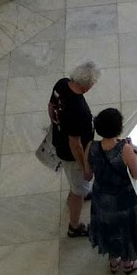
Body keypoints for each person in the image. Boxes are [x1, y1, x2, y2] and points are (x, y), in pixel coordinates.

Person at [87, 107, 137, 273]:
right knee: (126, 231)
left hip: (101, 200)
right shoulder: (124, 149)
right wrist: (130, 150)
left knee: (109, 228)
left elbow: (87, 175)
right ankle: (128, 263)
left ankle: (113, 260)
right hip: (123, 201)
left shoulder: (91, 146)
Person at [48, 61, 99, 238]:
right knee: (78, 188)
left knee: (76, 183)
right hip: (72, 155)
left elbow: (51, 106)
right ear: (87, 86)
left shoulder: (61, 84)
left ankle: (79, 191)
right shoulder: (79, 110)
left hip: (59, 142)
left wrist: (56, 124)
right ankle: (74, 226)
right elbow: (75, 144)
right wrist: (85, 166)